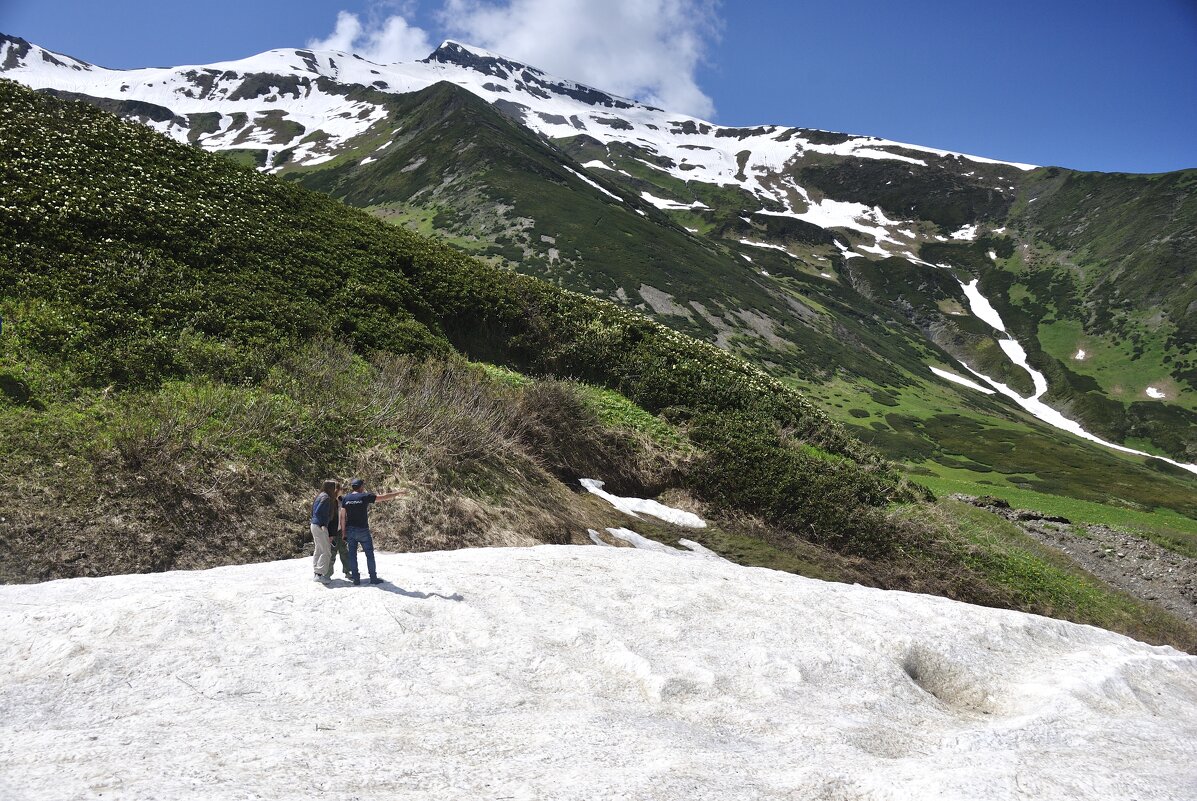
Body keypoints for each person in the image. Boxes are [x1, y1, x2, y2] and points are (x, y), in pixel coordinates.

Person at [339, 478, 405, 585]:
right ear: (361, 487)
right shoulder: (365, 496)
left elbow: (342, 517)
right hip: (363, 530)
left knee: (352, 555)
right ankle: (373, 578)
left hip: (350, 530)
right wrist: (397, 493)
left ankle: (356, 579)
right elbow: (383, 497)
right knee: (369, 555)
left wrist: (343, 532)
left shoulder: (346, 498)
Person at [310, 479, 338, 582]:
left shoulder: (319, 495)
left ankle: (316, 573)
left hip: (314, 524)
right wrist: (323, 524)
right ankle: (320, 574)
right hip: (320, 526)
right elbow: (319, 511)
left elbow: (313, 511)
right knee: (326, 551)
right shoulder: (326, 497)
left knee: (319, 549)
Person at [326, 484, 353, 581]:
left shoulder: (343, 500)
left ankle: (348, 571)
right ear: (336, 490)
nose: (342, 490)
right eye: (340, 489)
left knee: (344, 551)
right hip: (331, 531)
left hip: (342, 529)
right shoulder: (329, 501)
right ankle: (327, 574)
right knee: (331, 553)